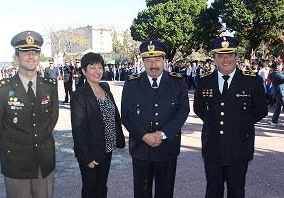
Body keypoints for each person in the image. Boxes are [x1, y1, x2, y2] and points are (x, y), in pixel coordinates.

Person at [0, 30, 59, 198]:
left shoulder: (50, 86)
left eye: (35, 52)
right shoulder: (2, 90)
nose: (31, 56)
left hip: (44, 160)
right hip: (16, 161)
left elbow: (52, 119)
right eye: (26, 52)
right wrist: (14, 143)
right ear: (17, 58)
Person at [193, 36, 268, 198]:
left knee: (236, 191)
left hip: (239, 146)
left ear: (236, 57)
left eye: (229, 55)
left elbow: (261, 110)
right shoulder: (204, 80)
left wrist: (238, 124)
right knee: (213, 191)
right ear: (214, 59)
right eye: (220, 56)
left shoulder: (252, 80)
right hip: (212, 146)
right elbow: (199, 109)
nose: (225, 59)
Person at [121, 40, 190, 198]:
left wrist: (164, 134)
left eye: (157, 60)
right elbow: (127, 114)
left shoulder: (177, 82)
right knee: (141, 193)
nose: (153, 65)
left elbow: (182, 110)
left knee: (165, 193)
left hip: (167, 148)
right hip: (141, 149)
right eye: (149, 60)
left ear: (164, 61)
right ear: (143, 62)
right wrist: (144, 136)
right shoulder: (132, 83)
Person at [70, 52, 125, 198]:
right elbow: (78, 129)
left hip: (107, 148)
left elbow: (113, 115)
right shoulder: (79, 95)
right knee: (90, 188)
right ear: (84, 71)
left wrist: (117, 138)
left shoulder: (105, 87)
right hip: (90, 151)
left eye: (100, 67)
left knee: (102, 186)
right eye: (92, 67)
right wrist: (86, 157)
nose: (97, 71)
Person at [268, 58, 284, 126]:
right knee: (279, 107)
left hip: (278, 92)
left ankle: (274, 121)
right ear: (277, 66)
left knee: (278, 107)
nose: (282, 66)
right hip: (280, 93)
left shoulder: (275, 73)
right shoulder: (276, 73)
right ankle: (274, 121)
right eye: (281, 65)